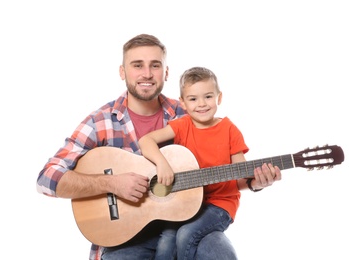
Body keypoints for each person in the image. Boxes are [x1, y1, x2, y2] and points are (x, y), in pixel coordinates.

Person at [36, 34, 281, 260]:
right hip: (124, 236)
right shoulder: (100, 122)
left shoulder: (190, 111)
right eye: (137, 65)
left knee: (221, 255)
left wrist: (254, 182)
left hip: (186, 222)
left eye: (155, 65)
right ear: (122, 72)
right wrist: (112, 183)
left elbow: (221, 165)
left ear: (166, 73)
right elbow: (46, 179)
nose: (147, 73)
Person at [138, 66, 282, 260]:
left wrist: (257, 182)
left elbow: (241, 177)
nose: (202, 104)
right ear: (183, 102)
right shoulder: (182, 125)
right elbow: (146, 141)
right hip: (184, 203)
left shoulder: (229, 130)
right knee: (166, 241)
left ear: (219, 98)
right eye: (193, 99)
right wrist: (162, 164)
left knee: (186, 234)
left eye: (208, 97)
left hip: (219, 206)